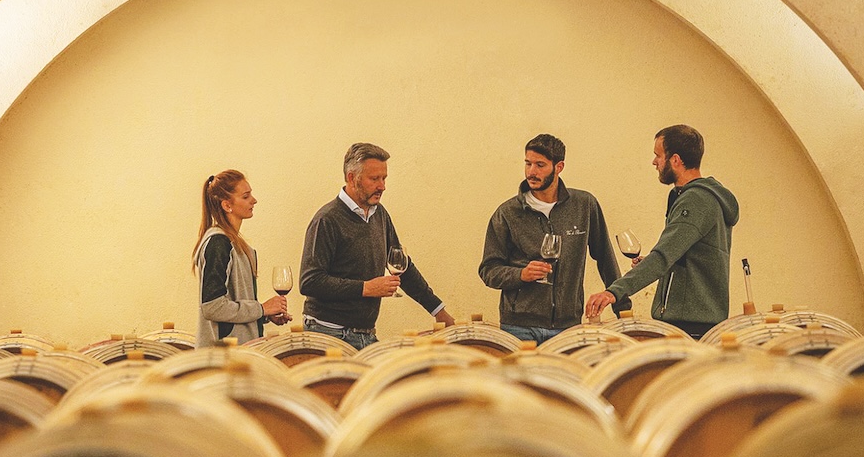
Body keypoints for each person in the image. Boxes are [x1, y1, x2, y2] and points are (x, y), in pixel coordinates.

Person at [585, 124, 740, 339]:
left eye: (658, 155)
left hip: (689, 325)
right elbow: (683, 256)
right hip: (693, 319)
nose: (654, 162)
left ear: (675, 160)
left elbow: (663, 257)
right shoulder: (692, 197)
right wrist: (653, 262)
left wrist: (614, 292)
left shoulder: (696, 201)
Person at [299, 142, 454, 350]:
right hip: (329, 335)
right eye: (374, 179)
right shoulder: (327, 220)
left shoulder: (379, 214)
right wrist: (366, 288)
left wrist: (439, 312)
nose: (382, 186)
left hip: (365, 334)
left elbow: (402, 267)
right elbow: (310, 281)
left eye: (384, 178)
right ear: (352, 178)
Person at [478, 134, 630, 344]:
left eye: (540, 165)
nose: (531, 172)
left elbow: (605, 257)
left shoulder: (584, 205)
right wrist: (521, 274)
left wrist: (622, 308)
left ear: (559, 167)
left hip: (568, 326)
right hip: (518, 327)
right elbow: (488, 270)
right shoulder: (507, 213)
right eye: (528, 163)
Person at [193, 170, 290, 348]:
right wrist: (261, 309)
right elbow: (212, 306)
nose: (254, 200)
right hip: (223, 357)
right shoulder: (218, 243)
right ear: (227, 205)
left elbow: (232, 306)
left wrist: (263, 315)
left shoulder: (237, 245)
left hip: (240, 352)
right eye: (246, 196)